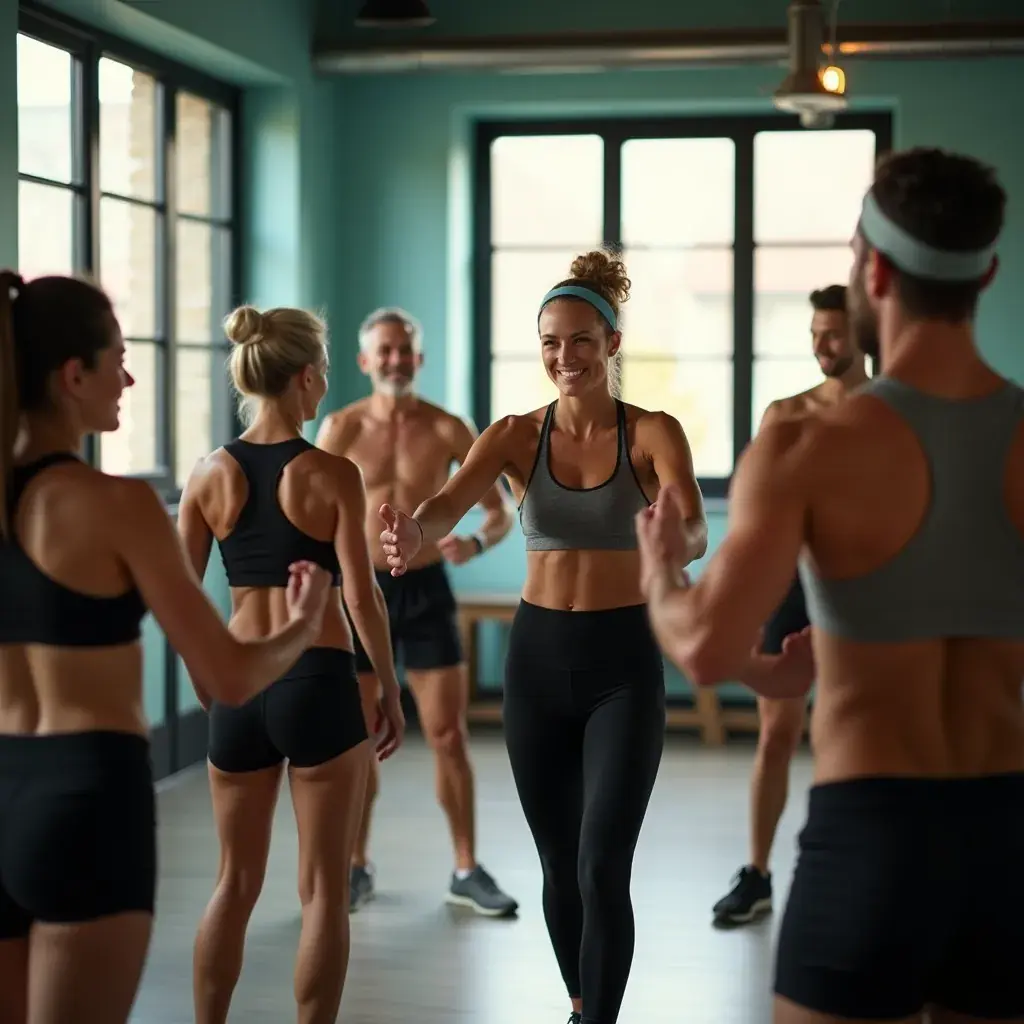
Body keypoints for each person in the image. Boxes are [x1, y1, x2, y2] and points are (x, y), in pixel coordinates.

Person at [637, 147, 1024, 1024]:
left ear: (873, 272)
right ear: (986, 274)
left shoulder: (808, 445)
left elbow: (704, 651)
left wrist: (660, 570)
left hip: (874, 833)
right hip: (1009, 830)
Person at [378, 251, 708, 1024]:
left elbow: (693, 522)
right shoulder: (514, 435)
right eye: (552, 342)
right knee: (558, 863)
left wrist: (679, 542)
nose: (566, 357)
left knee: (601, 865)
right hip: (538, 664)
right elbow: (447, 503)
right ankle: (580, 1004)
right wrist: (414, 532)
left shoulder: (653, 433)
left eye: (582, 340)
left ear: (612, 343)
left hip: (623, 664)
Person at [0, 273, 331, 1024]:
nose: (128, 379)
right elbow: (230, 676)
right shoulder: (117, 504)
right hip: (83, 802)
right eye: (117, 360)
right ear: (72, 376)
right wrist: (303, 624)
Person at [178, 304, 406, 1024]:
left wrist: (209, 681)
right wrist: (389, 689)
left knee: (233, 883)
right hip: (317, 682)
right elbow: (362, 598)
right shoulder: (333, 474)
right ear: (306, 377)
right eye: (325, 374)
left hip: (239, 682)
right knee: (323, 892)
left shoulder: (207, 474)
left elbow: (181, 601)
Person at [315, 306, 518, 916]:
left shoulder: (449, 428)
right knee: (360, 737)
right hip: (359, 592)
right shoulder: (341, 428)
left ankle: (466, 868)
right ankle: (356, 865)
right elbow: (311, 515)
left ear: (419, 358)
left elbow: (499, 512)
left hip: (426, 589)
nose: (396, 359)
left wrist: (474, 544)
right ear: (364, 360)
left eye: (405, 349)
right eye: (385, 350)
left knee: (448, 734)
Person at [712, 283, 869, 926]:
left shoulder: (888, 412)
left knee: (851, 734)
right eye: (814, 334)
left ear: (860, 334)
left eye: (832, 333)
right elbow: (757, 513)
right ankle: (757, 873)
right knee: (776, 734)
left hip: (862, 594)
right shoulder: (785, 414)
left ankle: (850, 871)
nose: (821, 345)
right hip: (793, 588)